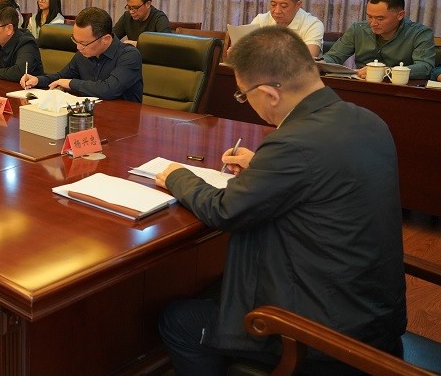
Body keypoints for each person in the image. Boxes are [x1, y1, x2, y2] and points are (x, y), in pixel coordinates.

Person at [154, 26, 406, 374]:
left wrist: (177, 176)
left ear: (270, 94)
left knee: (178, 319)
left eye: (243, 95)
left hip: (324, 337)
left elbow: (225, 210)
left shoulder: (293, 143)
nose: (246, 102)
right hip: (375, 318)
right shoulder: (367, 119)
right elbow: (323, 175)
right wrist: (262, 165)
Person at [19, 6, 143, 102]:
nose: (78, 47)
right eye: (75, 41)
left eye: (83, 43)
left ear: (106, 39)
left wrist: (71, 83)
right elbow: (61, 77)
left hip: (123, 121)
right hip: (89, 116)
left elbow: (109, 89)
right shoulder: (83, 53)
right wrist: (37, 80)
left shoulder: (129, 56)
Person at [322, 0, 436, 79]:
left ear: (400, 15)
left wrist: (387, 71)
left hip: (400, 89)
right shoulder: (358, 29)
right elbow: (333, 56)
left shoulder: (420, 33)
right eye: (369, 17)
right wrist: (319, 64)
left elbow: (425, 68)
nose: (373, 23)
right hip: (361, 85)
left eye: (380, 18)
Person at [250, 0, 324, 57]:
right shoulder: (261, 20)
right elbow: (246, 49)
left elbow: (308, 57)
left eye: (284, 6)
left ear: (298, 5)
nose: (277, 11)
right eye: (273, 4)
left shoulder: (313, 25)